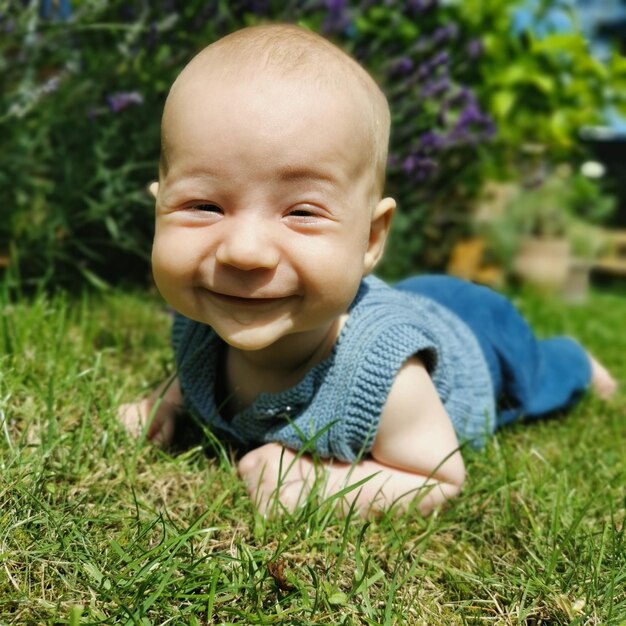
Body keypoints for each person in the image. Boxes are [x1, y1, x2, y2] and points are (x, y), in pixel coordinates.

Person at [119, 23, 617, 517]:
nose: (244, 252)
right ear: (159, 208)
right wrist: (163, 403)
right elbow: (194, 369)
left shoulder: (386, 372)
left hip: (481, 333)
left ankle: (578, 362)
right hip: (412, 298)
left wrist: (325, 485)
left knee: (540, 377)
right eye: (205, 205)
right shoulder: (200, 321)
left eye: (302, 212)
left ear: (371, 238)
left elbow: (438, 477)